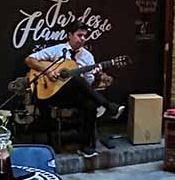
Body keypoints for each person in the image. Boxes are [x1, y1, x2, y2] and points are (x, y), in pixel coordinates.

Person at [25, 20, 124, 158]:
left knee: (89, 104)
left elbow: (87, 85)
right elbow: (29, 60)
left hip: (73, 97)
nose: (82, 39)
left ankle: (85, 146)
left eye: (85, 36)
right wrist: (47, 72)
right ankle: (109, 106)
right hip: (52, 94)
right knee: (76, 78)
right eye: (79, 35)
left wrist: (95, 76)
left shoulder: (88, 57)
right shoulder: (58, 50)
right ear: (70, 35)